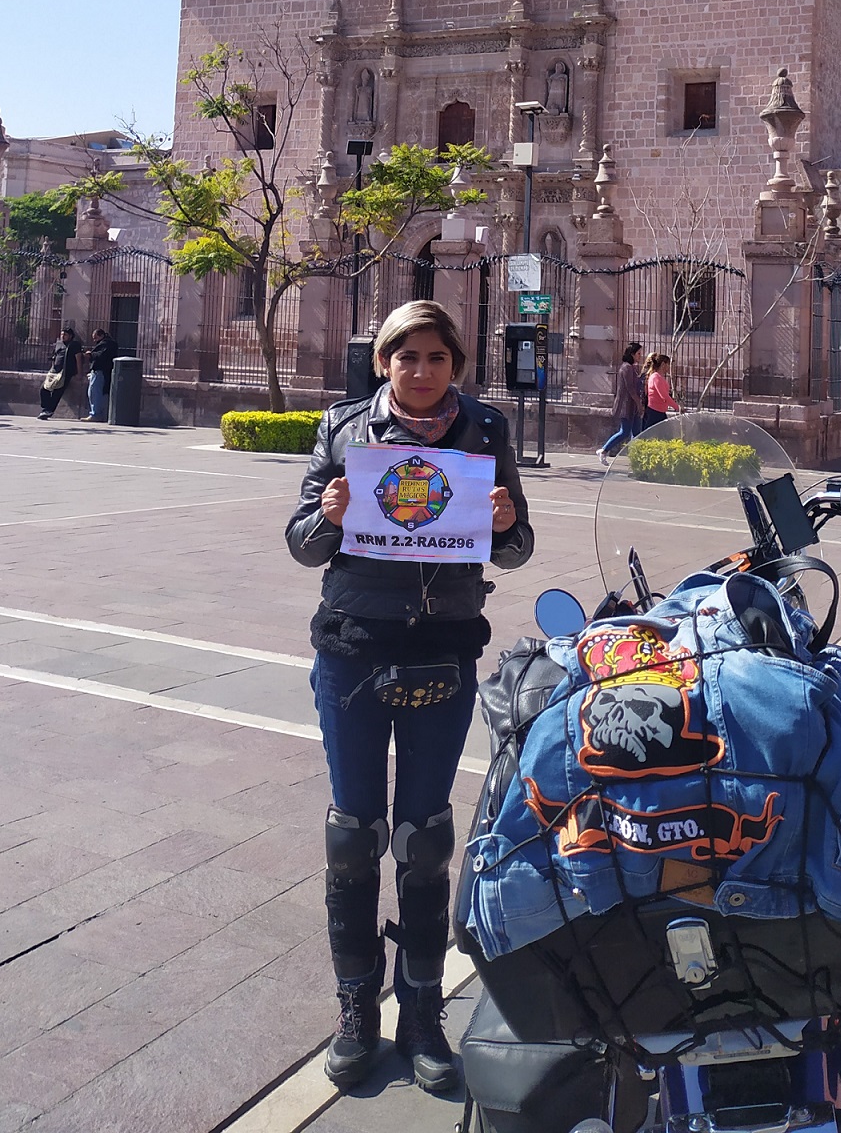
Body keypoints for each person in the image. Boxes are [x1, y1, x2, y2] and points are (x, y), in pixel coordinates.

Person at [286, 299, 533, 1094]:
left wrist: (502, 522)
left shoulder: (486, 432)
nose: (420, 372)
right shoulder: (345, 428)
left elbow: (519, 545)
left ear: (455, 364)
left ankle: (421, 1009)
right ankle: (357, 1005)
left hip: (442, 652)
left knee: (425, 836)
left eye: (434, 358)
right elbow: (300, 542)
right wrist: (326, 516)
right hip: (354, 647)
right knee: (354, 833)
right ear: (383, 363)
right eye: (405, 358)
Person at [600, 342, 646, 458]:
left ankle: (637, 458)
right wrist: (639, 404)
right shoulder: (626, 368)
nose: (640, 356)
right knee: (624, 432)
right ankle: (604, 450)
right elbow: (630, 388)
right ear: (632, 354)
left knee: (636, 433)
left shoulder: (632, 368)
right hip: (626, 406)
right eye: (638, 353)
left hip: (633, 407)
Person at [38, 326, 83, 420]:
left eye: (65, 334)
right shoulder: (59, 344)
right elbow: (55, 356)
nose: (63, 336)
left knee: (57, 392)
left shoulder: (74, 345)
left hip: (65, 372)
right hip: (54, 372)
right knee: (44, 388)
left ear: (70, 336)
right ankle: (45, 407)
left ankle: (49, 410)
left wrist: (79, 373)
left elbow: (78, 358)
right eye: (62, 334)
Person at [84, 328, 116, 422]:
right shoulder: (108, 343)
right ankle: (96, 413)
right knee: (94, 392)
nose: (94, 340)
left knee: (95, 393)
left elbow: (101, 356)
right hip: (100, 371)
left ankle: (96, 414)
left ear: (101, 335)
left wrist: (91, 355)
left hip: (100, 371)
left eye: (95, 337)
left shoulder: (106, 344)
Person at [641, 352, 679, 428]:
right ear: (663, 364)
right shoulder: (656, 377)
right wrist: (677, 407)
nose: (669, 367)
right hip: (655, 412)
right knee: (649, 436)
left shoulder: (658, 377)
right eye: (668, 364)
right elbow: (664, 396)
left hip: (660, 411)